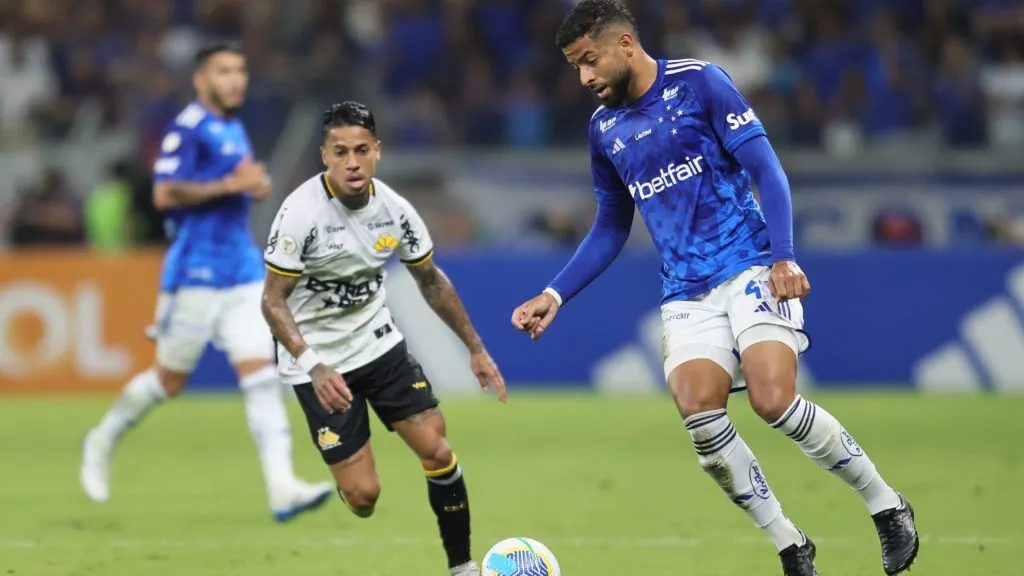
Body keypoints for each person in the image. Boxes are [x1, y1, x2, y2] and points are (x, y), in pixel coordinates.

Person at [510, 2, 920, 575]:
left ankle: (886, 505)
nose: (584, 78)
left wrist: (784, 257)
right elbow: (610, 225)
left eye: (589, 60)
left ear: (625, 44)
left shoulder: (700, 83)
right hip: (685, 291)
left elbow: (767, 169)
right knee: (698, 413)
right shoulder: (604, 131)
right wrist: (553, 294)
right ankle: (790, 544)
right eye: (575, 66)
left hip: (751, 264)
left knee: (772, 401)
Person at [80, 44, 333, 522]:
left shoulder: (233, 128)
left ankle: (282, 488)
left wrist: (251, 187)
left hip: (239, 269)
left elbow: (234, 189)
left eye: (240, 71)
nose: (236, 80)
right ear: (201, 81)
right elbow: (164, 192)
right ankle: (102, 438)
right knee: (170, 380)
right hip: (195, 271)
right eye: (224, 72)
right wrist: (233, 187)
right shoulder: (189, 130)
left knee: (261, 378)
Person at [261, 101, 507, 576]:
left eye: (360, 150)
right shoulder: (299, 215)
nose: (351, 162)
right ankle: (347, 471)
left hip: (377, 344)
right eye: (340, 152)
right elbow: (272, 301)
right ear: (324, 157)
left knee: (437, 449)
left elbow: (432, 282)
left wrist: (475, 348)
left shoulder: (396, 211)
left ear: (377, 151)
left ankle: (463, 567)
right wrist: (313, 365)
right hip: (317, 362)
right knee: (363, 498)